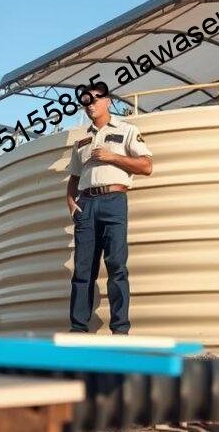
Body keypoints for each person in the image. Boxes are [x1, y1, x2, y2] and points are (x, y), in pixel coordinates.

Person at [65, 90, 153, 334]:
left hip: (114, 201)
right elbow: (73, 177)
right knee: (82, 270)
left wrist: (112, 157)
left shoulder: (127, 130)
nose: (90, 105)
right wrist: (72, 205)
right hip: (86, 205)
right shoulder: (81, 142)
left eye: (95, 99)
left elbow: (146, 166)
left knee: (116, 265)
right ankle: (78, 329)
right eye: (85, 101)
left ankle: (120, 330)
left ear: (108, 101)